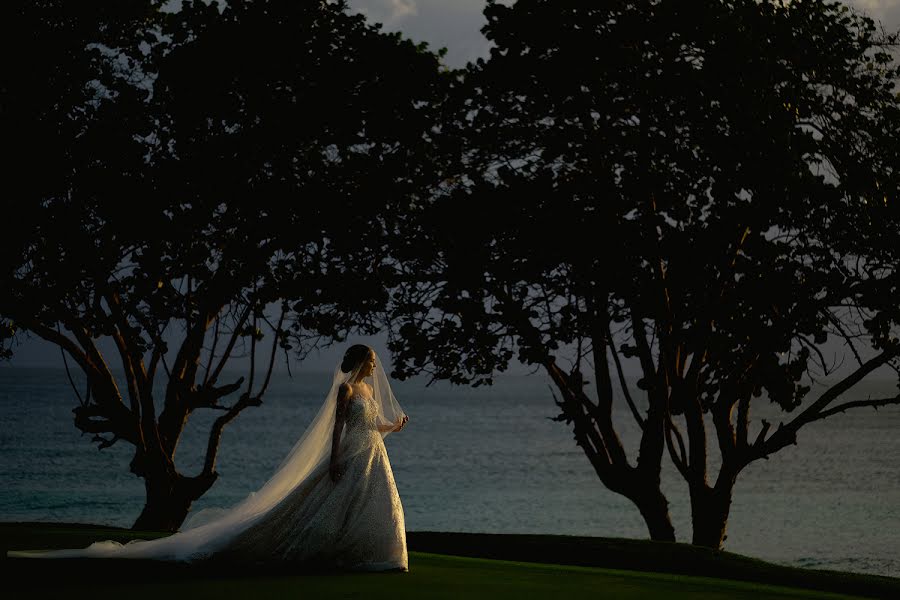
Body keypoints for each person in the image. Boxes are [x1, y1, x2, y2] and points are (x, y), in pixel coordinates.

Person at [7, 344, 411, 571]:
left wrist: (392, 428)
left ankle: (376, 555)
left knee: (373, 507)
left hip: (373, 455)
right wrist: (336, 460)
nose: (376, 367)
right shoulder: (344, 393)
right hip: (351, 456)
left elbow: (369, 427)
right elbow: (337, 431)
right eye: (372, 362)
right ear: (361, 363)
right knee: (329, 506)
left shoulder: (370, 394)